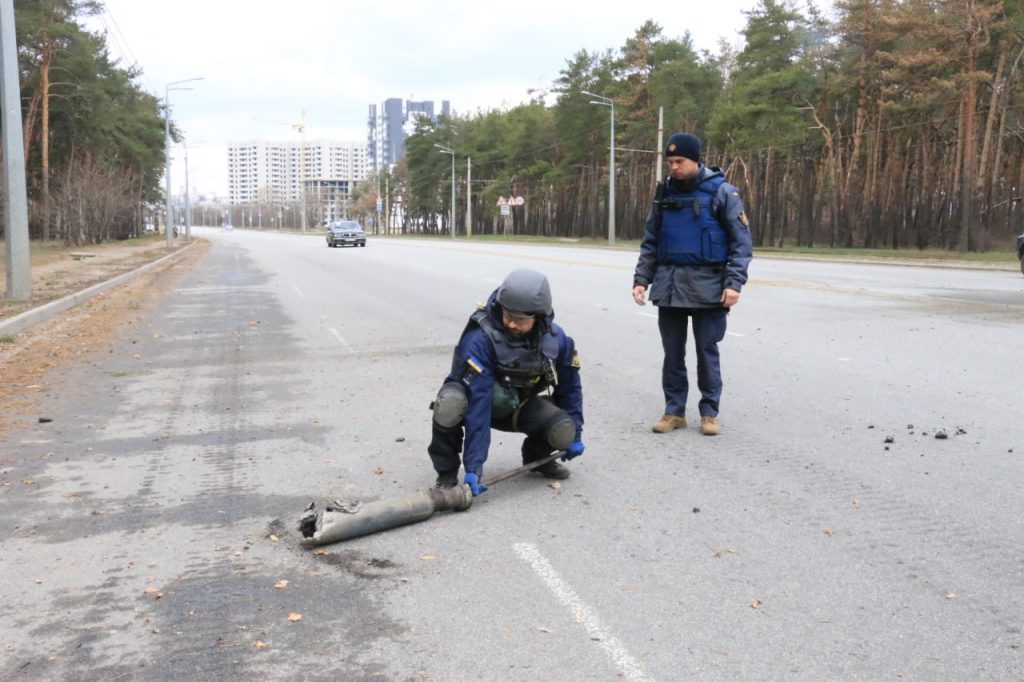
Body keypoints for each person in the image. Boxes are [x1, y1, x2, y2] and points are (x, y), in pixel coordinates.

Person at [632, 132, 753, 436]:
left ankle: (709, 412)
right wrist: (641, 279)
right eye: (670, 161)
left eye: (679, 161)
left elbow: (742, 244)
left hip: (709, 287)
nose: (673, 167)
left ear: (696, 160)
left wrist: (734, 283)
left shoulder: (722, 192)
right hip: (670, 286)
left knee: (706, 352)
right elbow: (651, 241)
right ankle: (674, 411)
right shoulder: (665, 193)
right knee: (672, 355)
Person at [428, 269, 585, 496]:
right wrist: (474, 467)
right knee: (450, 404)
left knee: (563, 430)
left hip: (517, 407)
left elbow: (571, 388)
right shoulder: (481, 339)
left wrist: (576, 435)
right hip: (475, 404)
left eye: (520, 319)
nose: (511, 323)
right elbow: (479, 403)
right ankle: (446, 474)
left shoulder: (556, 340)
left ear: (539, 316)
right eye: (507, 315)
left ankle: (538, 458)